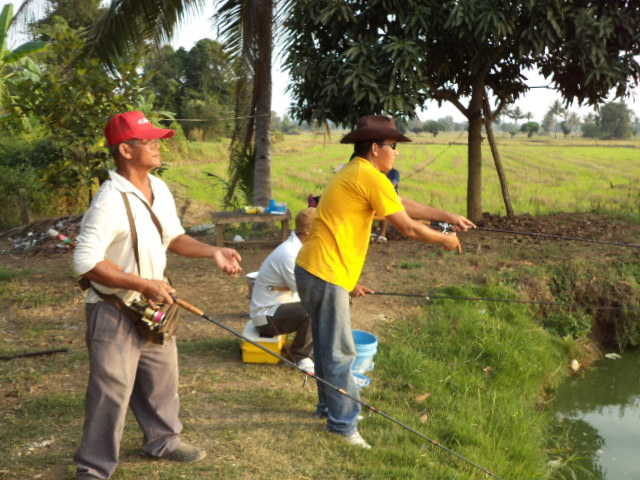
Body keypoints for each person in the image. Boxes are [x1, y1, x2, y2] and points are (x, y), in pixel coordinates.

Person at [72, 110, 242, 480]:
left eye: (156, 140)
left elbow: (174, 238)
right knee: (111, 391)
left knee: (162, 379)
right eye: (148, 141)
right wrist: (142, 283)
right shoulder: (109, 200)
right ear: (125, 150)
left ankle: (163, 441)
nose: (157, 146)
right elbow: (84, 262)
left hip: (152, 304)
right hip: (114, 308)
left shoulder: (158, 188)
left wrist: (212, 251)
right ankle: (95, 468)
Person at [294, 115, 475, 449]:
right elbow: (406, 226)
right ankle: (344, 425)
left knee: (324, 346)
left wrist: (447, 217)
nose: (396, 153)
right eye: (393, 146)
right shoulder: (368, 175)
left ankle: (328, 409)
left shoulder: (355, 173)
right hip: (326, 271)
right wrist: (444, 240)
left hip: (312, 268)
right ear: (375, 148)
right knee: (339, 352)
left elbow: (401, 205)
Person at [250, 208, 316, 373]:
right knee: (313, 308)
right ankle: (299, 356)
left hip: (281, 307)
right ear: (307, 233)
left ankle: (313, 348)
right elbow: (306, 292)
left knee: (323, 303)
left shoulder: (301, 249)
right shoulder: (290, 255)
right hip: (266, 317)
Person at [376, 167, 400, 241]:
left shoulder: (394, 172)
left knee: (385, 209)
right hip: (377, 195)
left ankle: (382, 235)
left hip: (390, 197)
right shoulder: (377, 171)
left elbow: (393, 185)